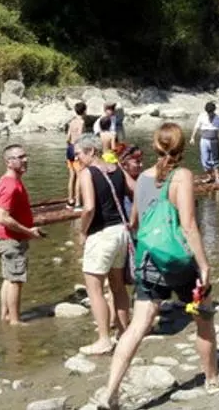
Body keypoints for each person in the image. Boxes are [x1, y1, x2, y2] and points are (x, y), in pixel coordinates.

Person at [91, 123, 219, 409]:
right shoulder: (182, 176)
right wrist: (204, 264)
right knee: (204, 318)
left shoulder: (143, 177)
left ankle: (110, 392)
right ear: (183, 148)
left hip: (149, 258)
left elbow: (134, 221)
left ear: (155, 145)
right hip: (179, 261)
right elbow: (189, 225)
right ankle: (211, 380)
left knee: (137, 326)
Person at [74, 135, 131, 356]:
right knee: (118, 286)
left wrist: (82, 231)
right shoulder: (116, 168)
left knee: (95, 289)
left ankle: (104, 339)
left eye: (78, 154)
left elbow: (88, 208)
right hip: (121, 232)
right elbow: (133, 189)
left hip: (102, 234)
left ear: (90, 151)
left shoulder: (88, 173)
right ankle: (125, 332)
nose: (77, 159)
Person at [0, 144, 44, 326]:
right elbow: (3, 218)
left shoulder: (12, 181)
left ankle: (5, 316)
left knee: (8, 278)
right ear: (8, 162)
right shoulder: (10, 186)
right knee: (16, 280)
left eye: (25, 156)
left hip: (7, 237)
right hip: (10, 239)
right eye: (20, 157)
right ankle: (15, 321)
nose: (25, 160)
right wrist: (28, 231)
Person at [190, 102, 219, 184]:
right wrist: (192, 137)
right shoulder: (202, 116)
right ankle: (209, 177)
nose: (210, 114)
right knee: (205, 159)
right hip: (204, 140)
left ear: (214, 111)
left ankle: (217, 178)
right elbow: (196, 126)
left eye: (211, 112)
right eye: (208, 113)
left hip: (214, 141)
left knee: (215, 159)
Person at [66, 102, 87, 209]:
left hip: (69, 148)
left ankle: (70, 200)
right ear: (84, 111)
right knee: (79, 176)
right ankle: (78, 203)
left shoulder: (72, 122)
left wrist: (70, 148)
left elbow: (68, 138)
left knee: (71, 176)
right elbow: (80, 137)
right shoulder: (81, 122)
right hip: (77, 149)